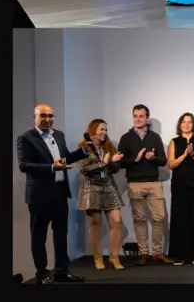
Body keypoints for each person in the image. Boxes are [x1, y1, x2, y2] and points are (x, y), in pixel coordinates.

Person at [16, 104, 91, 283]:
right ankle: (42, 274)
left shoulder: (58, 135)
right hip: (39, 195)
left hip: (59, 193)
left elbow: (64, 159)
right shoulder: (25, 138)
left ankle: (62, 271)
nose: (48, 119)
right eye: (43, 116)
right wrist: (51, 167)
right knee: (39, 236)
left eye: (50, 116)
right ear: (33, 117)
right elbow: (24, 165)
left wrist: (83, 151)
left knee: (60, 235)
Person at [117, 104, 170, 266]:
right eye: (135, 116)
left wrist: (153, 158)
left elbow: (163, 160)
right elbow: (120, 163)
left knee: (159, 218)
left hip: (154, 182)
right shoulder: (126, 138)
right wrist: (136, 159)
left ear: (147, 118)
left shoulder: (155, 137)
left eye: (141, 116)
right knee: (139, 219)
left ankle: (157, 253)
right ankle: (144, 253)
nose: (138, 119)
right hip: (135, 183)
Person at [75, 119, 126, 271]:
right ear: (93, 130)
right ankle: (98, 257)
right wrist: (103, 163)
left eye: (106, 130)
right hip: (92, 188)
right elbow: (84, 170)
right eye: (101, 129)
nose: (104, 133)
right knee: (95, 225)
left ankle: (114, 257)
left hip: (109, 186)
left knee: (116, 222)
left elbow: (115, 169)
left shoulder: (109, 146)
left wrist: (112, 162)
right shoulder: (83, 147)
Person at [167, 112, 194, 266]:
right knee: (180, 218)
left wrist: (193, 154)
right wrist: (184, 155)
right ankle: (179, 254)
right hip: (179, 184)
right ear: (180, 125)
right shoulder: (174, 142)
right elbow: (171, 164)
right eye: (184, 122)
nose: (186, 125)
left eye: (189, 122)